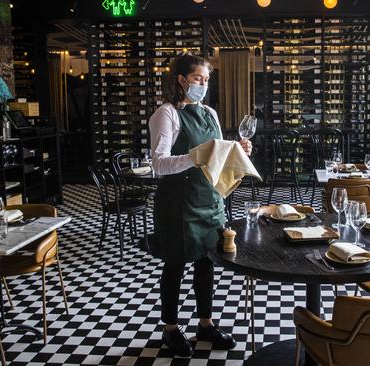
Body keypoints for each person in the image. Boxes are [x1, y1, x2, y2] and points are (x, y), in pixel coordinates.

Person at [148, 53, 252, 357]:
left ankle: (205, 324)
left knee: (207, 263)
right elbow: (158, 164)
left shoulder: (210, 113)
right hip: (178, 204)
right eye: (197, 79)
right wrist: (195, 156)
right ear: (181, 80)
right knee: (176, 264)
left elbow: (217, 156)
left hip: (210, 200)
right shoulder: (166, 114)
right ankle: (170, 328)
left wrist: (240, 150)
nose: (203, 85)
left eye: (207, 80)